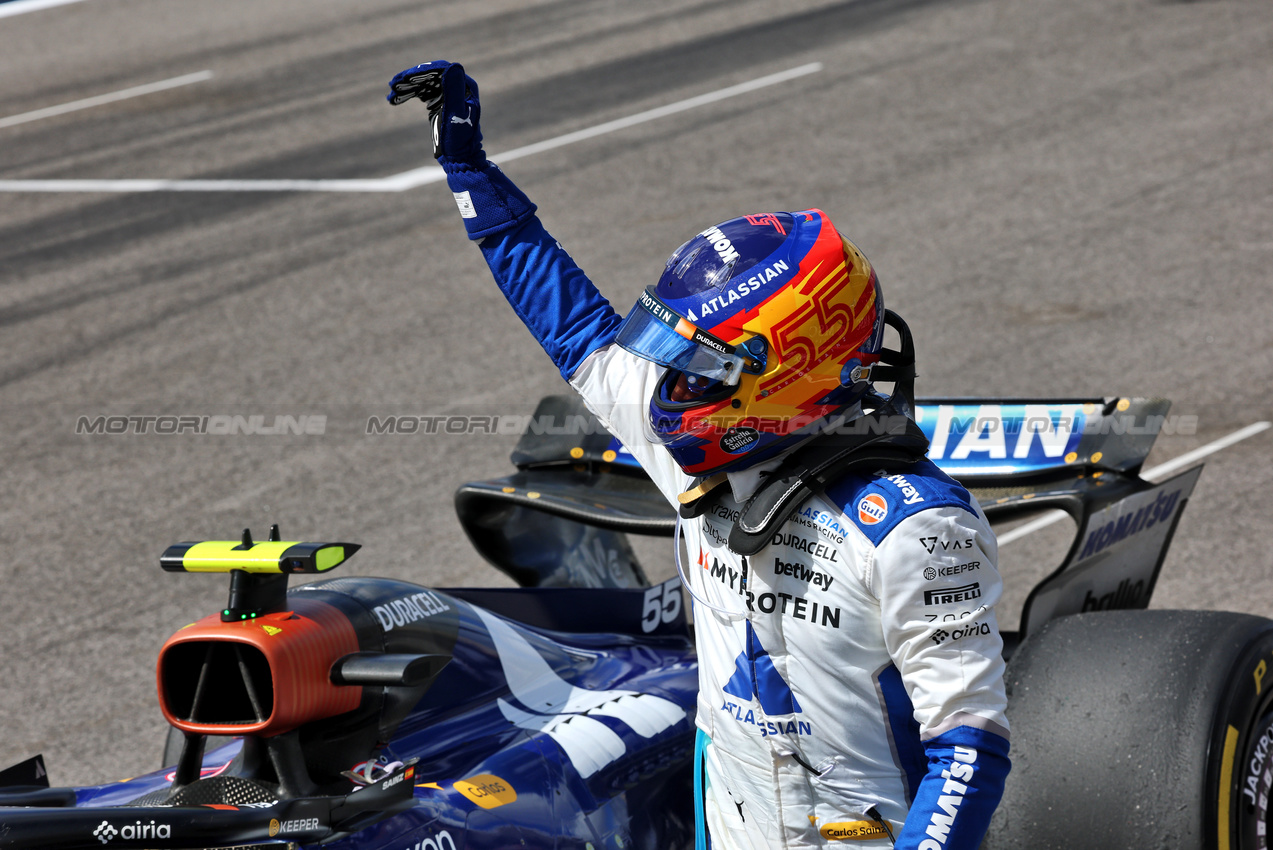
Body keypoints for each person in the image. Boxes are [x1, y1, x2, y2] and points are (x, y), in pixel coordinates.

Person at [388, 61, 1010, 850]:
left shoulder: (918, 532)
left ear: (795, 371)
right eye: (673, 357)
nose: (664, 392)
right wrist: (469, 171)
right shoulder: (687, 446)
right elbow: (572, 325)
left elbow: (967, 751)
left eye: (699, 370)